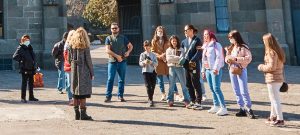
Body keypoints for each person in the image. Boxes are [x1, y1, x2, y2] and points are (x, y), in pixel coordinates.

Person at [225, 30, 255, 118]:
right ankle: (241, 108)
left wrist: (236, 59)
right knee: (236, 90)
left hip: (241, 69)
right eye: (229, 38)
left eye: (231, 37)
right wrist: (227, 60)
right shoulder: (231, 47)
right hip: (232, 70)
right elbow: (226, 57)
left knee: (243, 90)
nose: (230, 39)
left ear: (236, 37)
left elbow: (249, 58)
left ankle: (249, 109)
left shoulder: (243, 47)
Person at [258, 33, 286, 127]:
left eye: (263, 40)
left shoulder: (271, 52)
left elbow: (271, 67)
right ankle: (273, 117)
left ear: (267, 42)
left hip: (273, 78)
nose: (263, 42)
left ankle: (280, 119)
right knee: (273, 99)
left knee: (275, 100)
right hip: (278, 78)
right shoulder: (277, 51)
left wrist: (261, 67)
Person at [69, 27, 94, 120]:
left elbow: (68, 59)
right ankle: (83, 114)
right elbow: (89, 61)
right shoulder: (85, 47)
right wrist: (92, 72)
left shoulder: (71, 46)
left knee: (75, 93)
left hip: (74, 71)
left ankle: (76, 113)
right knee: (83, 94)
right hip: (84, 72)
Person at [104, 22, 133, 102]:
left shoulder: (123, 38)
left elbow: (130, 46)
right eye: (113, 28)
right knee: (110, 79)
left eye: (115, 28)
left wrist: (128, 52)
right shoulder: (108, 38)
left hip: (122, 62)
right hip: (112, 61)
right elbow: (107, 50)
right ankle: (108, 96)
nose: (114, 29)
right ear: (111, 29)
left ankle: (120, 96)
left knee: (121, 79)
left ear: (118, 29)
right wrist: (117, 56)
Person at [201, 30, 228, 116]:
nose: (205, 36)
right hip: (208, 69)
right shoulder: (205, 46)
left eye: (207, 34)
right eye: (204, 35)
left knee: (216, 88)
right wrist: (203, 70)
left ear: (211, 35)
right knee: (212, 88)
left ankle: (223, 107)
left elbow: (219, 57)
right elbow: (203, 59)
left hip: (215, 70)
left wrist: (216, 68)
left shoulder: (216, 45)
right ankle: (216, 105)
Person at [151, 26, 180, 101]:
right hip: (158, 62)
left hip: (167, 61)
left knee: (171, 78)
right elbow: (153, 51)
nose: (160, 33)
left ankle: (176, 93)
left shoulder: (167, 40)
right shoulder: (154, 41)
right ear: (156, 32)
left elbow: (169, 49)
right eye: (159, 31)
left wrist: (164, 55)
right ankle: (163, 94)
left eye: (161, 31)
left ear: (163, 32)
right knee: (160, 79)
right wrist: (160, 56)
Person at [181, 24, 203, 110]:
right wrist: (181, 59)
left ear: (191, 30)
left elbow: (199, 52)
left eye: (186, 30)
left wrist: (192, 60)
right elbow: (182, 53)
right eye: (184, 31)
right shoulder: (184, 42)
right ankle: (192, 101)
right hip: (186, 65)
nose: (185, 32)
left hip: (194, 64)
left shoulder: (197, 40)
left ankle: (199, 102)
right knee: (188, 83)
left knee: (196, 82)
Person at [166, 35, 191, 107]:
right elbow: (168, 59)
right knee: (171, 85)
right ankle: (170, 99)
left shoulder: (181, 49)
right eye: (173, 41)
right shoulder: (168, 50)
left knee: (184, 85)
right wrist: (177, 58)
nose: (174, 42)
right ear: (170, 41)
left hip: (180, 68)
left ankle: (187, 100)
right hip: (171, 68)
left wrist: (174, 58)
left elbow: (182, 59)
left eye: (175, 41)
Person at [13, 34, 39, 103]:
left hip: (31, 68)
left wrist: (35, 65)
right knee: (24, 83)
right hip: (24, 68)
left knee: (31, 83)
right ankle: (23, 98)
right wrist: (22, 60)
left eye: (28, 39)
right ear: (23, 41)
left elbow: (33, 57)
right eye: (26, 40)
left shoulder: (30, 47)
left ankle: (31, 97)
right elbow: (15, 56)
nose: (27, 41)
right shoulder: (20, 48)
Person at [139, 40, 158, 107]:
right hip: (145, 71)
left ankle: (150, 96)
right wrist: (144, 62)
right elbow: (140, 63)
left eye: (148, 46)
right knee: (148, 86)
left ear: (150, 46)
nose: (147, 47)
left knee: (153, 85)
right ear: (144, 47)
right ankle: (151, 99)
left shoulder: (153, 54)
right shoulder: (142, 54)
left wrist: (151, 62)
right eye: (145, 46)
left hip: (153, 71)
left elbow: (156, 64)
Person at [63, 30, 75, 106]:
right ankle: (70, 99)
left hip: (75, 67)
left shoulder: (76, 44)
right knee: (70, 84)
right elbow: (66, 57)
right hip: (69, 67)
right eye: (72, 35)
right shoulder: (67, 45)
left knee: (75, 84)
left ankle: (75, 98)